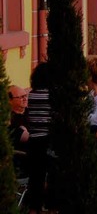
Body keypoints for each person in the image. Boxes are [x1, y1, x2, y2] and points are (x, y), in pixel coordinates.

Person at [26, 62, 52, 212]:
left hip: (34, 139)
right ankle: (49, 206)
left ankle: (34, 208)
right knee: (51, 176)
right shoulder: (51, 95)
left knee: (36, 177)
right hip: (47, 139)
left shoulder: (32, 94)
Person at [8, 85, 29, 150]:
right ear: (10, 100)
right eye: (21, 97)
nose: (25, 99)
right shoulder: (8, 119)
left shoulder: (32, 111)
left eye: (26, 95)